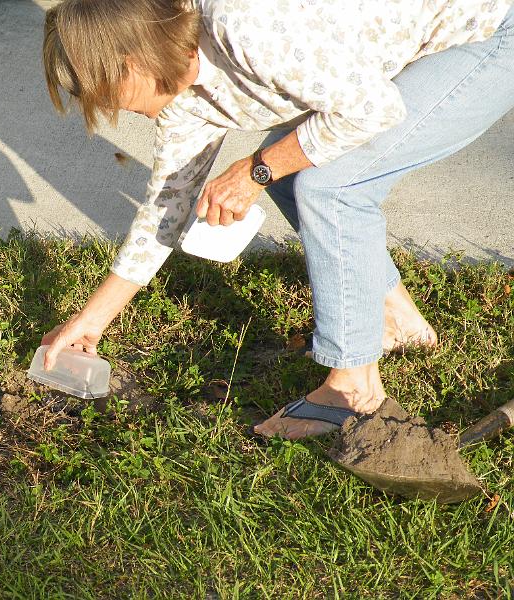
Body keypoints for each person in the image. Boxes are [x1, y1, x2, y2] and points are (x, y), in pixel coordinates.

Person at [39, 0, 514, 439]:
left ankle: (354, 390)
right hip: (410, 50)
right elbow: (169, 203)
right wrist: (91, 320)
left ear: (132, 63)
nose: (107, 109)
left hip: (487, 30)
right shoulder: (181, 97)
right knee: (292, 174)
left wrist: (256, 169)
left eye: (102, 91)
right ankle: (394, 318)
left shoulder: (242, 27)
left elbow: (373, 109)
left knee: (330, 186)